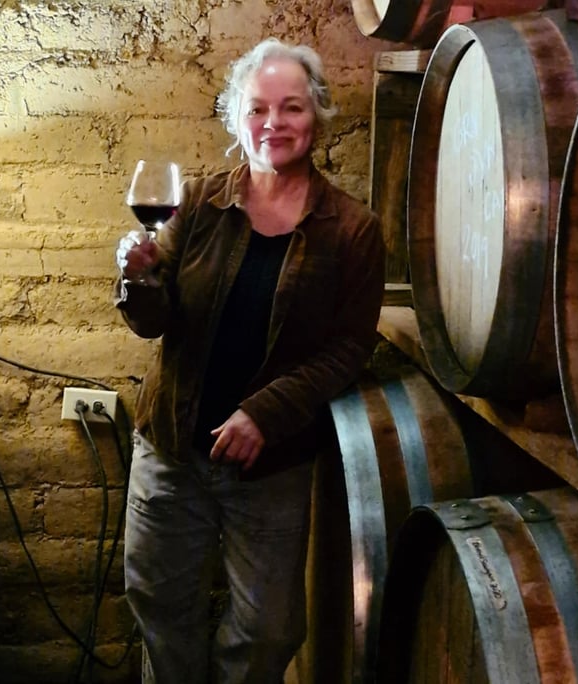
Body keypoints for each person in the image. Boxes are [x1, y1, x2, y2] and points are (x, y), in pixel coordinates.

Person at [114, 37, 385, 683]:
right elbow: (154, 326)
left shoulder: (353, 229)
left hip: (270, 464)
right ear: (236, 116)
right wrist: (141, 279)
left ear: (316, 115)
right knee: (157, 601)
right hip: (172, 448)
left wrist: (264, 413)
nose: (273, 123)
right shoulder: (201, 203)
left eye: (290, 108)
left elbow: (349, 348)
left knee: (268, 628)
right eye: (257, 108)